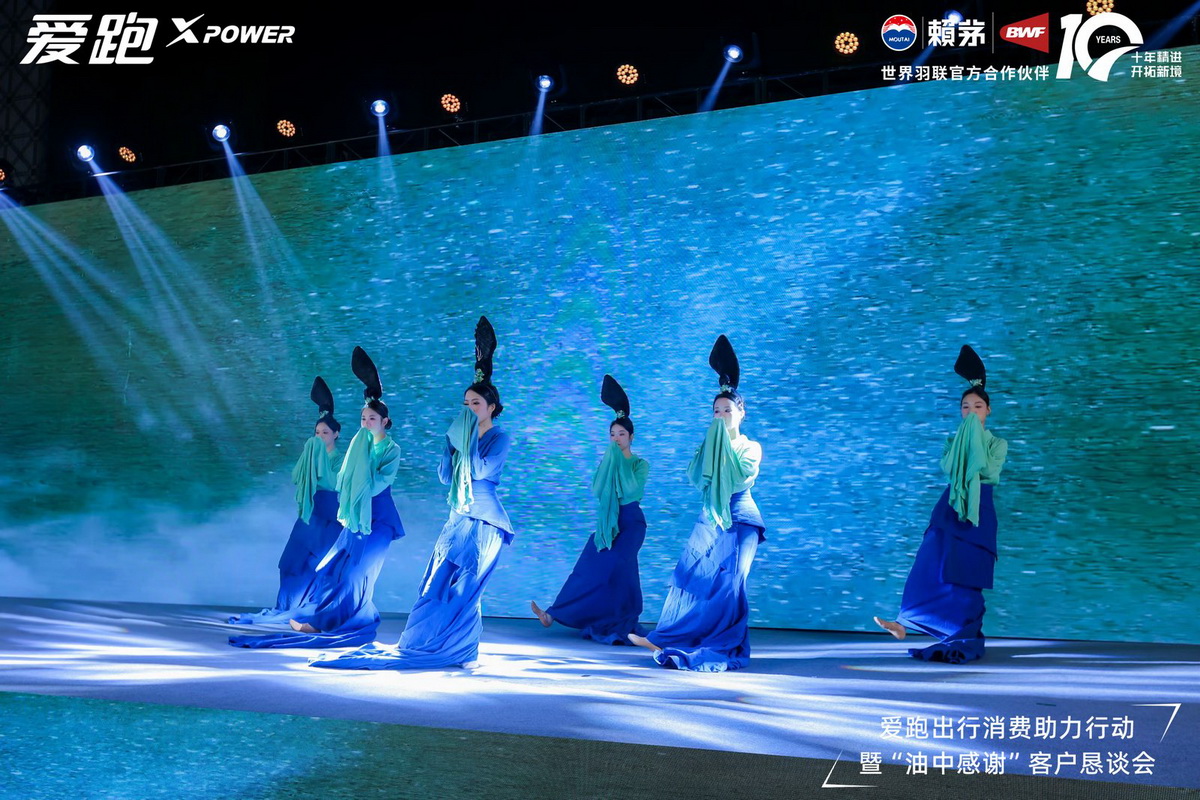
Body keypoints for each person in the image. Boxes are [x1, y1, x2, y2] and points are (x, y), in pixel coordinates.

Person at [311, 316, 514, 670]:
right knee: (434, 586)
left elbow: (481, 471)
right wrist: (450, 446)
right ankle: (426, 644)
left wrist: (464, 441)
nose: (469, 410)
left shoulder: (499, 438)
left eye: (476, 405)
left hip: (485, 521)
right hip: (458, 518)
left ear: (491, 408)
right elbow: (445, 477)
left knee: (463, 590)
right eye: (466, 404)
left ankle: (458, 648)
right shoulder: (461, 435)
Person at [229, 347, 404, 649]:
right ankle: (322, 620)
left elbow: (376, 484)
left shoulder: (390, 450)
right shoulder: (358, 447)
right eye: (363, 418)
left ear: (384, 422)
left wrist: (355, 471)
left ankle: (349, 621)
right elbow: (345, 479)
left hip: (378, 518)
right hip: (353, 516)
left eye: (372, 418)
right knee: (334, 571)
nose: (366, 423)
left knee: (355, 573)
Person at [628, 335, 765, 671]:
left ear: (741, 413)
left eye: (727, 410)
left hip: (740, 519)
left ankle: (720, 644)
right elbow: (695, 475)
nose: (721, 415)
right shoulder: (708, 444)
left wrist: (721, 445)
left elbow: (739, 478)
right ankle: (669, 635)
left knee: (729, 585)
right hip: (710, 519)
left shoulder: (750, 447)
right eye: (716, 411)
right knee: (692, 579)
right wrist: (711, 444)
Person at [873, 345, 1009, 664]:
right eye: (966, 407)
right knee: (929, 564)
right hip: (949, 506)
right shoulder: (952, 443)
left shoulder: (997, 444)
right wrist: (966, 436)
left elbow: (986, 470)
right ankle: (906, 622)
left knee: (966, 573)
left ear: (988, 411)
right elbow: (949, 469)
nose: (971, 411)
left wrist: (973, 434)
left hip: (978, 510)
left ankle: (961, 636)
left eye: (977, 406)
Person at [532, 374, 650, 644]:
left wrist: (618, 459)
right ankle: (553, 614)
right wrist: (612, 460)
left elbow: (631, 490)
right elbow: (598, 490)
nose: (616, 438)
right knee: (587, 567)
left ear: (631, 436)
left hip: (631, 523)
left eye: (621, 434)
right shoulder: (608, 460)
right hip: (608, 523)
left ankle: (625, 618)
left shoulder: (639, 464)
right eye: (612, 434)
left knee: (620, 571)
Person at [228, 377, 345, 625]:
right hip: (310, 512)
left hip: (330, 515)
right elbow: (296, 476)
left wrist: (317, 459)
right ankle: (285, 608)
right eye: (317, 433)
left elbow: (333, 482)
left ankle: (311, 611)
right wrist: (312, 455)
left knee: (317, 565)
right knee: (291, 563)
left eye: (325, 432)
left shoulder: (339, 460)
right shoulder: (311, 454)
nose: (320, 436)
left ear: (336, 434)